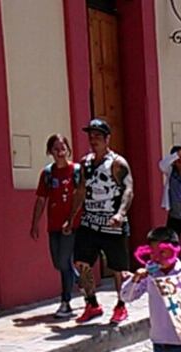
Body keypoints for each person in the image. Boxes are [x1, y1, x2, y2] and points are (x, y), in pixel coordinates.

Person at [73, 119, 134, 324]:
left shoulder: (117, 163)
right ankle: (91, 303)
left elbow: (128, 189)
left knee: (118, 268)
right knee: (82, 263)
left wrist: (120, 214)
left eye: (98, 136)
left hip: (112, 224)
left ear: (107, 139)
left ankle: (121, 304)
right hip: (89, 221)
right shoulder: (85, 163)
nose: (93, 140)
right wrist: (71, 217)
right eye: (91, 136)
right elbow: (81, 190)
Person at [30, 134, 83, 318]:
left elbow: (80, 196)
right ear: (50, 151)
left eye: (63, 148)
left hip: (72, 224)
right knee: (58, 263)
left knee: (63, 260)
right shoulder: (47, 174)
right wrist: (35, 222)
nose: (60, 152)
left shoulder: (76, 171)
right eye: (55, 149)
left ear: (68, 149)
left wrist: (72, 218)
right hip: (53, 224)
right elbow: (41, 199)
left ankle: (65, 301)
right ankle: (79, 279)